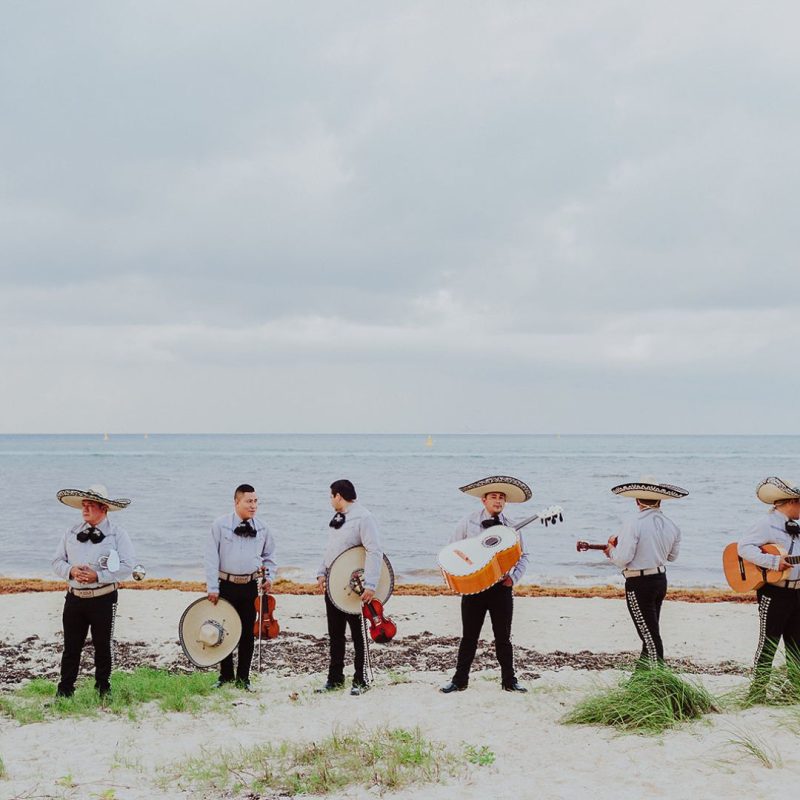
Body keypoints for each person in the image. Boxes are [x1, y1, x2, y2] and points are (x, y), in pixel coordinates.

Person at [441, 475, 531, 694]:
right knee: (469, 637)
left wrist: (513, 579)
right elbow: (452, 549)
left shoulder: (511, 527)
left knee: (504, 638)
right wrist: (461, 573)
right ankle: (459, 680)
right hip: (473, 588)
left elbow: (524, 555)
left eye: (501, 498)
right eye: (493, 497)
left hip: (501, 589)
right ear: (484, 500)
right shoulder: (468, 521)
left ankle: (509, 681)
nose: (498, 501)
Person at [52, 484, 136, 698]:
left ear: (104, 509)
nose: (85, 509)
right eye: (84, 505)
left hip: (104, 598)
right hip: (74, 598)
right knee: (71, 647)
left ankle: (103, 689)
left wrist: (98, 576)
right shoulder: (71, 532)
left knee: (103, 645)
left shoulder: (118, 535)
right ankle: (65, 691)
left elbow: (127, 566)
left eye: (90, 505)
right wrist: (71, 570)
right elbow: (56, 561)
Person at [604, 479, 686, 666]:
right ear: (660, 501)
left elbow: (623, 558)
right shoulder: (672, 525)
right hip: (660, 580)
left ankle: (660, 681)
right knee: (650, 631)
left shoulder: (633, 522)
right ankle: (640, 678)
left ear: (637, 501)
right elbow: (672, 557)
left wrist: (610, 551)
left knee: (649, 636)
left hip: (639, 583)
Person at [205, 483, 277, 690]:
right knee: (223, 630)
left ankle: (243, 678)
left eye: (255, 501)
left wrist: (269, 578)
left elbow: (270, 557)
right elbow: (211, 558)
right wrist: (212, 587)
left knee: (247, 632)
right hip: (225, 585)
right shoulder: (220, 525)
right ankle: (225, 675)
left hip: (250, 587)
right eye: (248, 501)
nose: (253, 506)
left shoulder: (263, 528)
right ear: (236, 502)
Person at [316, 479, 383, 696]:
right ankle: (335, 679)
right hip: (334, 585)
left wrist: (371, 584)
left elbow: (374, 551)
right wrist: (321, 571)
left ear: (338, 496)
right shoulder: (337, 518)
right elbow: (331, 548)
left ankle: (361, 678)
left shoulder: (364, 517)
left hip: (356, 587)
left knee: (358, 635)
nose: (330, 500)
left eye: (330, 496)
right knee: (335, 634)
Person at [738, 477, 800, 702]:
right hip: (774, 592)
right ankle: (757, 693)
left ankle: (795, 690)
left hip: (797, 592)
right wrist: (773, 563)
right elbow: (743, 547)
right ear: (792, 501)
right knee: (769, 642)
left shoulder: (797, 526)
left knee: (796, 644)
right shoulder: (766, 523)